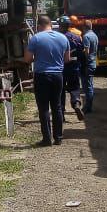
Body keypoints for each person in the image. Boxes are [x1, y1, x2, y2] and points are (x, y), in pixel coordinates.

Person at [23, 14, 70, 146]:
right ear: (50, 24)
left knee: (43, 108)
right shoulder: (63, 38)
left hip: (42, 75)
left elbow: (27, 59)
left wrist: (38, 58)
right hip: (58, 75)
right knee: (57, 107)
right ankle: (59, 137)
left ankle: (47, 139)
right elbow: (67, 59)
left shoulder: (36, 39)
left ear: (39, 26)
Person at [58, 16, 85, 120]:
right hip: (73, 67)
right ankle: (76, 103)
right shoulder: (76, 37)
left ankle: (61, 114)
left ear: (60, 26)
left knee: (60, 91)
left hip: (60, 67)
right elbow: (82, 53)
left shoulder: (57, 38)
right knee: (74, 87)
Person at [81, 20, 99, 113]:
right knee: (90, 85)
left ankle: (88, 107)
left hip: (87, 64)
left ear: (84, 27)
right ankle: (89, 106)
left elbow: (86, 52)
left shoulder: (86, 36)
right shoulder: (95, 36)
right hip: (93, 63)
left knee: (87, 86)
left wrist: (80, 53)